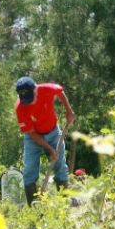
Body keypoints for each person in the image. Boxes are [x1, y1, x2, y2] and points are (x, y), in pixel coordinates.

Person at [15, 76, 76, 206]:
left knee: (60, 164)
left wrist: (68, 111)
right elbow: (32, 134)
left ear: (36, 89)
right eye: (25, 100)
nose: (29, 102)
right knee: (30, 169)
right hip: (33, 137)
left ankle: (65, 201)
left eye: (31, 97)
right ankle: (34, 207)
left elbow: (60, 93)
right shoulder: (20, 108)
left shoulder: (47, 89)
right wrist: (49, 149)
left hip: (53, 132)